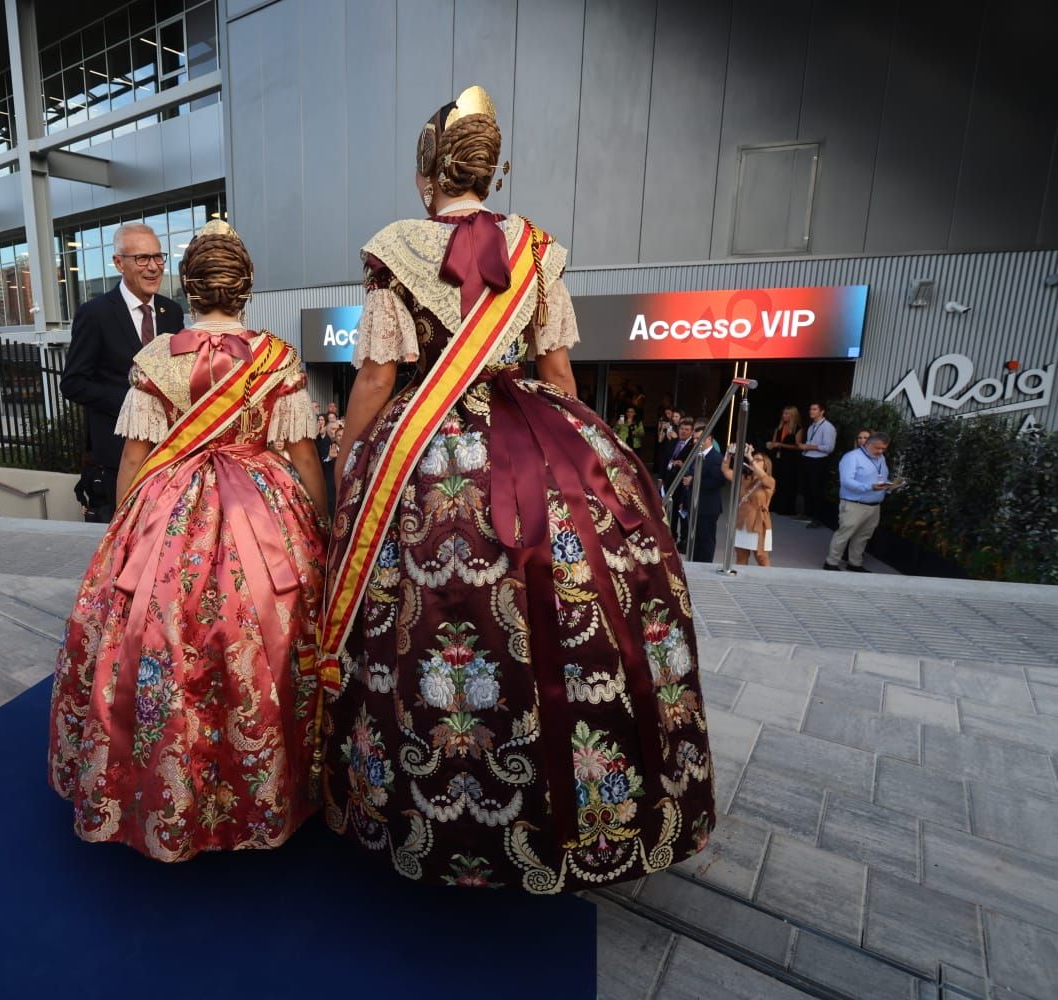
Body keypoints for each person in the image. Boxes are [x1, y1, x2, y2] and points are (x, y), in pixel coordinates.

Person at [318, 86, 713, 893]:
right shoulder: (537, 247)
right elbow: (558, 371)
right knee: (573, 598)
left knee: (410, 621)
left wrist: (353, 456)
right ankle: (575, 800)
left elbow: (377, 376)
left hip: (419, 452)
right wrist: (581, 457)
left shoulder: (395, 247)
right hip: (533, 438)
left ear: (428, 171)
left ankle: (413, 801)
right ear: (495, 174)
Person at [49, 220, 328, 860]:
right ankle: (264, 780)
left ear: (189, 287)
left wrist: (126, 532)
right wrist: (321, 525)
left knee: (158, 631)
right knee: (264, 633)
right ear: (246, 288)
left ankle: (167, 780)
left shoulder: (155, 358)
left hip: (168, 505)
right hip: (265, 511)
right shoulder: (277, 356)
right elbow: (304, 457)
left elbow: (135, 458)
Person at [60, 222, 184, 522]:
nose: (153, 267)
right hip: (117, 458)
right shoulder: (95, 314)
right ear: (119, 263)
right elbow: (73, 383)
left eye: (158, 257)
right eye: (142, 258)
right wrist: (135, 402)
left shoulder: (173, 312)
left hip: (168, 456)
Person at [824, 431, 893, 573]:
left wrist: (889, 487)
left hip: (874, 505)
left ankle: (854, 563)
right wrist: (869, 487)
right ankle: (831, 562)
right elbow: (846, 481)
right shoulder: (852, 457)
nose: (880, 451)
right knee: (844, 533)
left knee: (863, 536)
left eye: (884, 449)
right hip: (854, 504)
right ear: (868, 444)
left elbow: (881, 477)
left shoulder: (881, 458)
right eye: (877, 448)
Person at [723, 444, 775, 566]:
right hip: (742, 522)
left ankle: (766, 581)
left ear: (766, 465)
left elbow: (763, 477)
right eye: (753, 459)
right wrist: (728, 454)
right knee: (741, 556)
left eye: (758, 460)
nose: (754, 461)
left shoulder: (770, 481)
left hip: (758, 523)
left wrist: (750, 457)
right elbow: (725, 471)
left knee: (761, 557)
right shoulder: (744, 478)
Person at [682, 432, 726, 562]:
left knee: (706, 540)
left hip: (708, 507)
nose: (695, 441)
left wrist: (694, 480)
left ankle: (705, 566)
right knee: (695, 539)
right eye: (694, 438)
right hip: (694, 504)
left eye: (698, 438)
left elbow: (719, 481)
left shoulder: (716, 458)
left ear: (709, 439)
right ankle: (695, 564)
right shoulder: (696, 455)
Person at [799, 401, 837, 527]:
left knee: (817, 489)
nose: (811, 411)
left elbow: (829, 448)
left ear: (822, 411)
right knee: (807, 488)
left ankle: (818, 518)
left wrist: (809, 446)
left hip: (819, 461)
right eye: (810, 409)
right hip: (808, 458)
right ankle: (807, 514)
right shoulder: (812, 426)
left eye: (815, 409)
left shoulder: (828, 427)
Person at [763, 405, 803, 516]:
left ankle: (786, 508)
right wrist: (771, 444)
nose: (784, 416)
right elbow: (774, 442)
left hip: (790, 459)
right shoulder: (779, 427)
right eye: (784, 413)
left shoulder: (798, 429)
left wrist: (781, 445)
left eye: (787, 414)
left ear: (793, 415)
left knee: (788, 483)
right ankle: (774, 505)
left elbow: (798, 446)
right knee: (776, 481)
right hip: (778, 457)